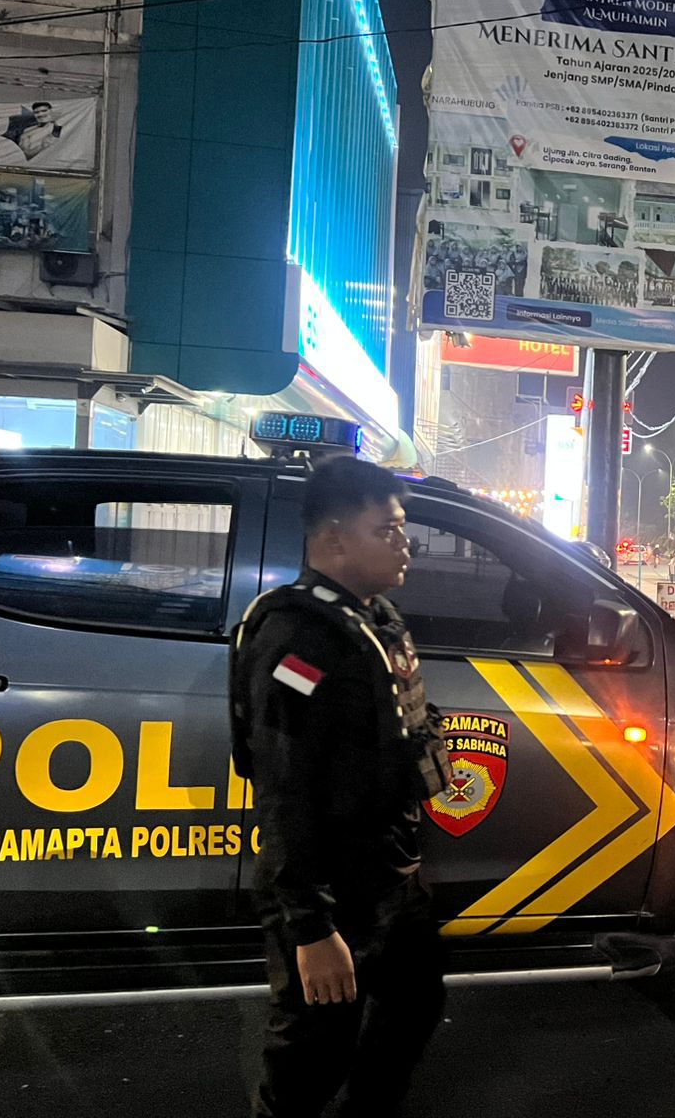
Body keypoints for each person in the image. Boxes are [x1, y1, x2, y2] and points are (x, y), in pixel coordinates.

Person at [231, 456, 451, 1118]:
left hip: (389, 875)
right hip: (329, 890)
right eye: (387, 530)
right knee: (310, 1059)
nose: (405, 544)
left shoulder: (373, 619)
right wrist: (310, 928)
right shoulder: (299, 639)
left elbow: (399, 729)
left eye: (403, 529)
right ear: (334, 540)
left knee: (415, 1002)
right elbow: (285, 791)